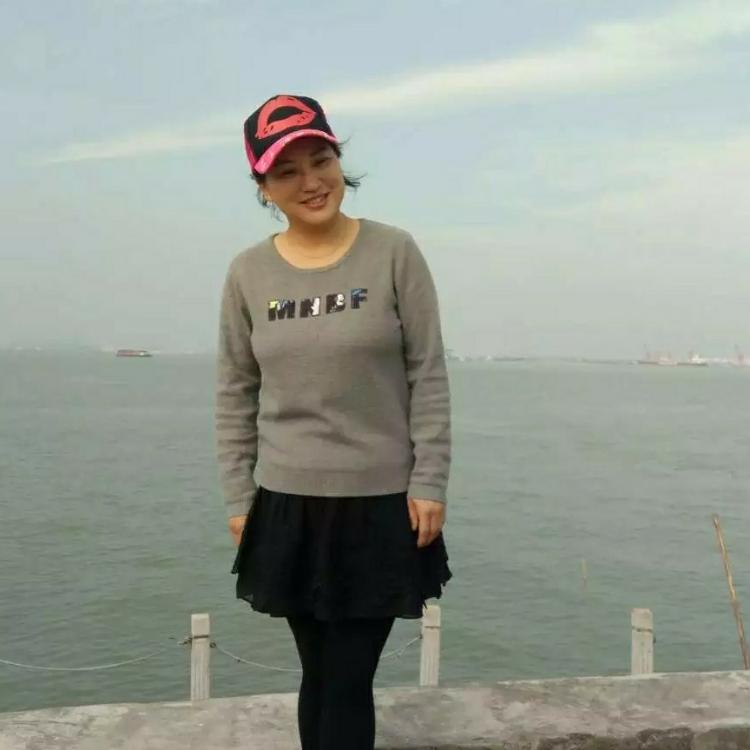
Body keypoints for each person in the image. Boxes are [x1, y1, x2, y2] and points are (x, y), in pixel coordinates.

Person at [215, 93, 453, 750]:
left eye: (320, 160)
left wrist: (430, 479)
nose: (311, 181)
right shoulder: (247, 273)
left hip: (381, 504)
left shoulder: (394, 252)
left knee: (348, 678)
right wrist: (238, 497)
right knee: (319, 673)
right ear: (263, 186)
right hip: (287, 504)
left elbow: (428, 372)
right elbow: (235, 391)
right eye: (286, 171)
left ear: (339, 161)